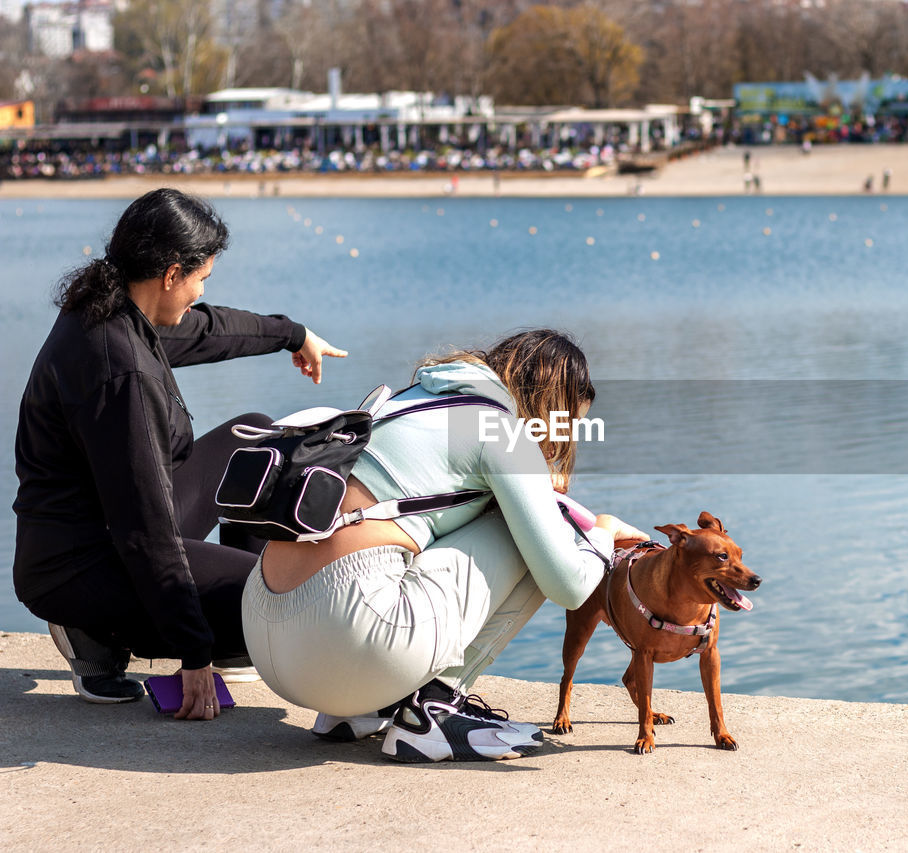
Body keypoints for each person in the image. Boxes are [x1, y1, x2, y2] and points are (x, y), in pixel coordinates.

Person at [12, 188, 345, 720]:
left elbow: (209, 329)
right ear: (170, 274)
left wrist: (294, 335)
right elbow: (145, 527)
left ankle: (235, 632)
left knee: (260, 442)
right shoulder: (122, 370)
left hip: (98, 534)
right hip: (80, 566)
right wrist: (194, 652)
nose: (199, 292)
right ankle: (97, 629)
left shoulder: (113, 309)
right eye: (200, 278)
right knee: (283, 595)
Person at [241, 329, 646, 763]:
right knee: (543, 532)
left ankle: (364, 708)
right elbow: (568, 586)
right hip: (349, 638)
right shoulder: (502, 429)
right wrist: (601, 533)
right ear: (553, 405)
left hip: (268, 634)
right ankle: (434, 709)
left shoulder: (408, 399)